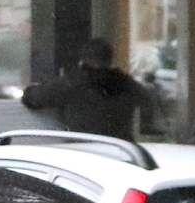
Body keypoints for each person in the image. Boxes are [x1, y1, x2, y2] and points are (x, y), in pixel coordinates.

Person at [22, 37, 151, 141]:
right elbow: (148, 102)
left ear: (82, 60)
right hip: (120, 149)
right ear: (110, 59)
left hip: (84, 150)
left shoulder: (73, 82)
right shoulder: (126, 83)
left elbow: (32, 98)